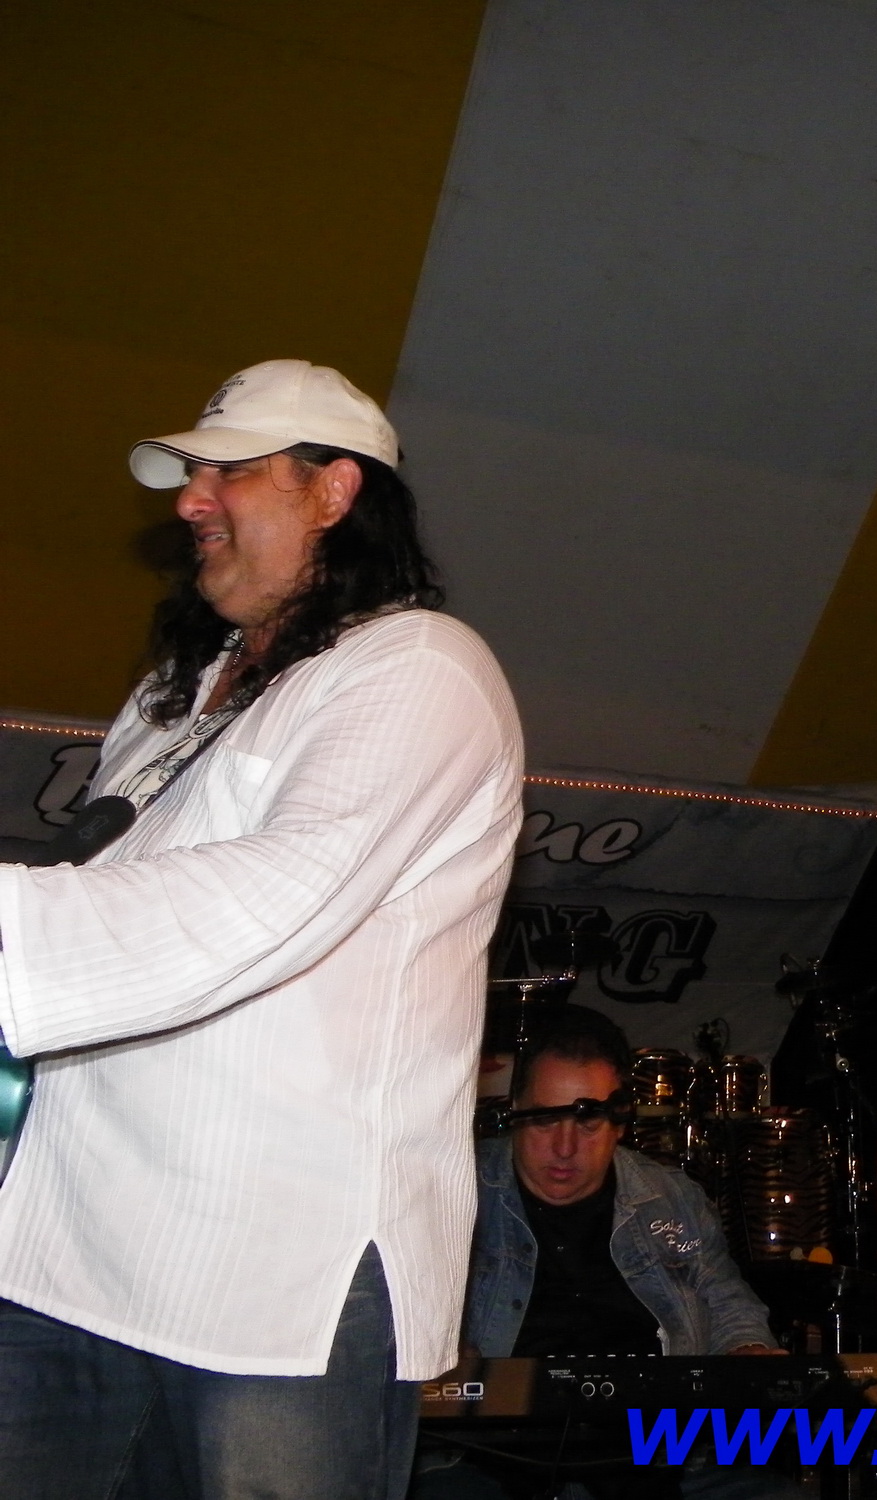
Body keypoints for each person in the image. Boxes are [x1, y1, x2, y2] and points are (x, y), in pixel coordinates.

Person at [0, 359, 525, 1498]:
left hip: (275, 1271)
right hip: (65, 1250)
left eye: (229, 471)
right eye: (191, 475)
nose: (192, 500)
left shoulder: (420, 667)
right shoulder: (173, 693)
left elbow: (274, 893)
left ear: (335, 491)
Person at [413, 1005, 788, 1500]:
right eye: (545, 1119)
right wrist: (440, 1348)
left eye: (588, 1121)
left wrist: (748, 1352)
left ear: (619, 1122)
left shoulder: (669, 1198)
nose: (564, 1147)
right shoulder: (458, 1193)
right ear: (514, 1109)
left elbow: (726, 1301)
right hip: (492, 1465)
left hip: (653, 1462)